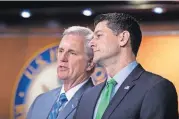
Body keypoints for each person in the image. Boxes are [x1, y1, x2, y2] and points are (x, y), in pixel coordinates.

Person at [74, 13, 178, 119]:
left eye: (99, 35)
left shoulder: (156, 88)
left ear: (123, 38)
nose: (91, 43)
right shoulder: (87, 96)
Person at [27, 26, 95, 119]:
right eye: (61, 51)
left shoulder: (96, 104)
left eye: (72, 52)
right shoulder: (40, 102)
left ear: (90, 63)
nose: (63, 58)